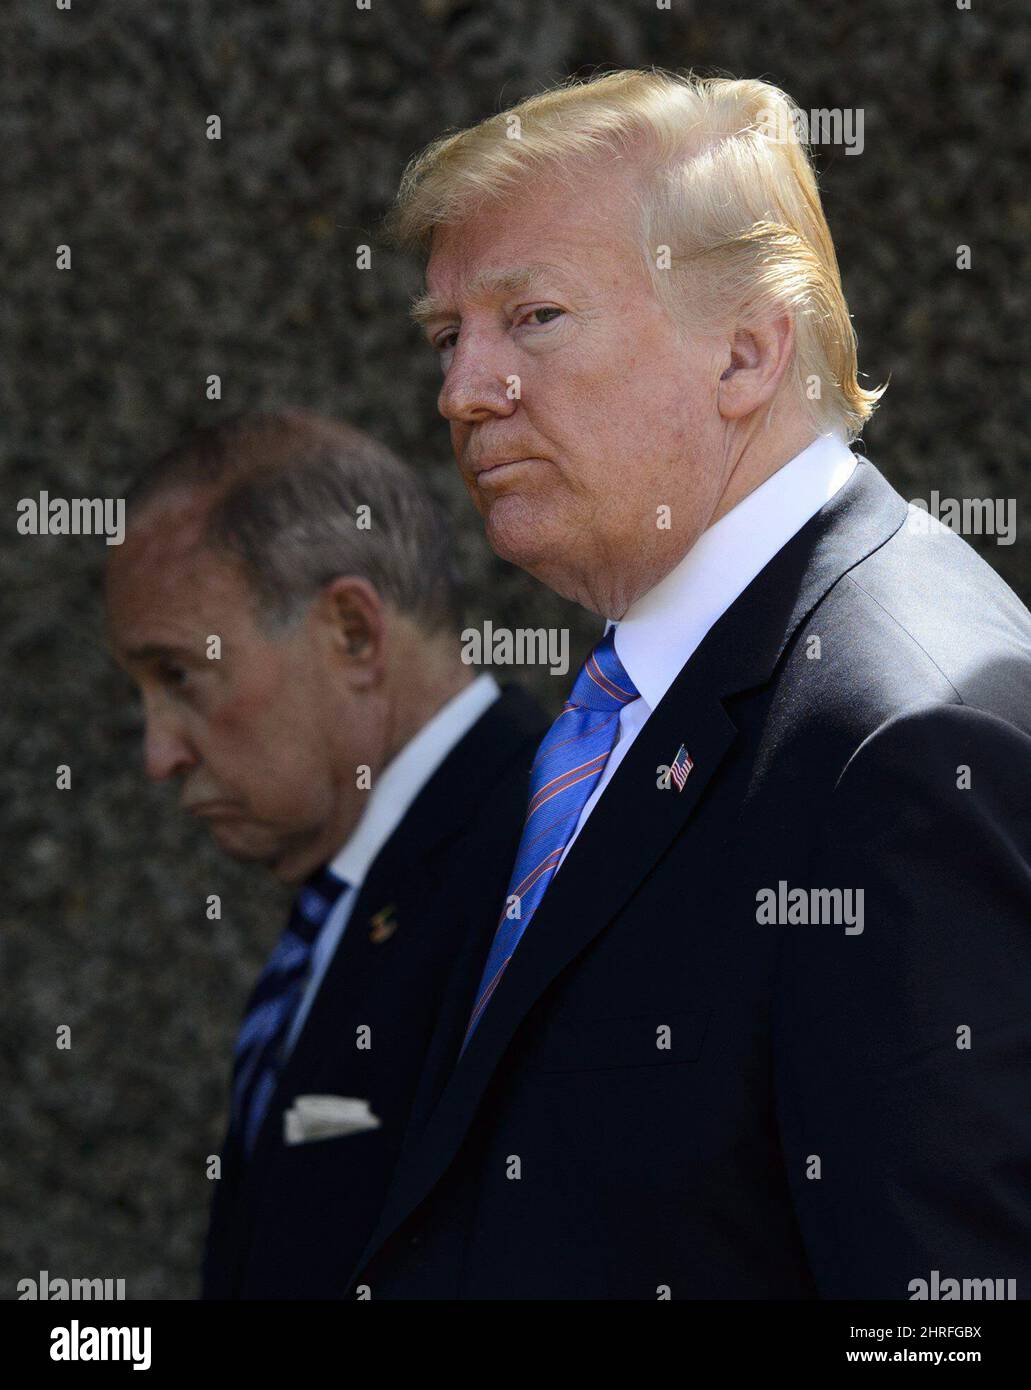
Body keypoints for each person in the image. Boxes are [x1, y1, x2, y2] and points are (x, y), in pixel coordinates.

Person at [347, 70, 1031, 1299]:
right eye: (450, 336)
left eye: (534, 316)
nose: (460, 390)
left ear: (746, 351)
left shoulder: (897, 738)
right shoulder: (646, 689)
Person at [105, 409, 547, 1297]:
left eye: (181, 675)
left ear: (351, 631)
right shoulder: (365, 881)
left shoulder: (544, 864)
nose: (159, 756)